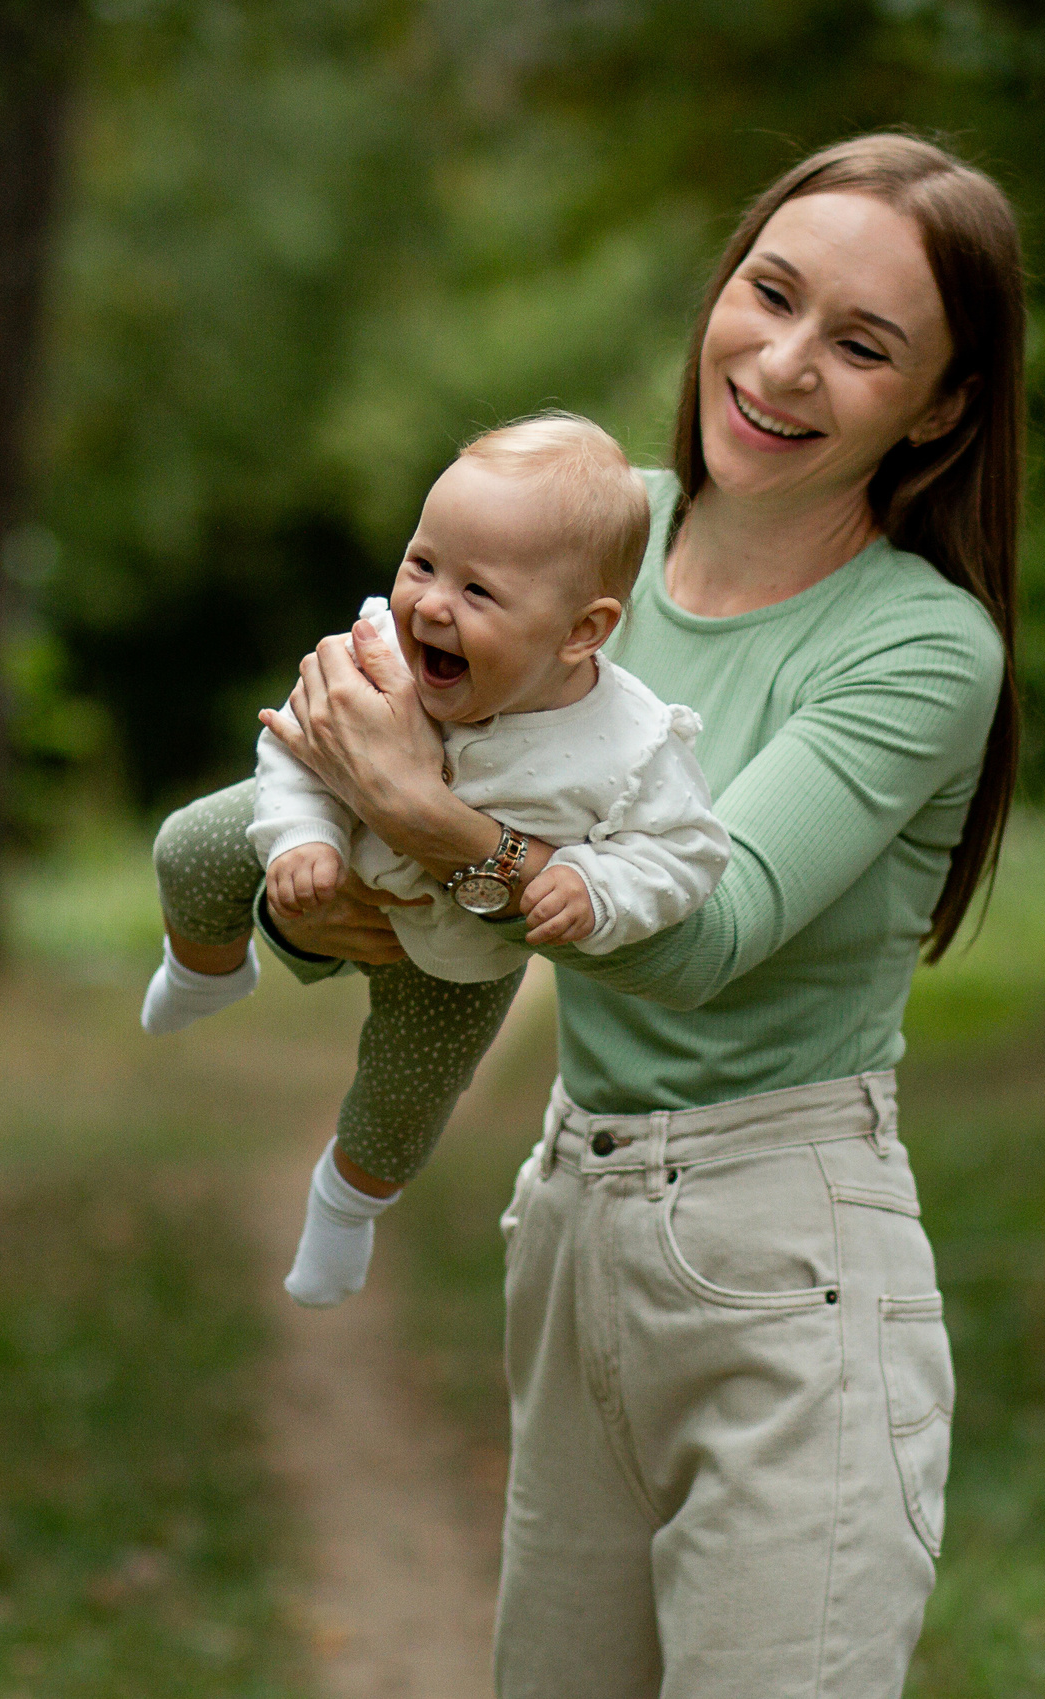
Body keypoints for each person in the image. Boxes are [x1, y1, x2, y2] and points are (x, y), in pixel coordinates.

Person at [193, 129, 1023, 1696]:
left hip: (788, 1258)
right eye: (768, 294)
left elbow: (707, 936)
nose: (781, 364)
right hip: (574, 1220)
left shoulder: (920, 646)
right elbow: (370, 824)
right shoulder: (584, 535)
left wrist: (442, 828)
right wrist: (322, 885)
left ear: (941, 405)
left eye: (863, 345)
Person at [144, 415, 730, 1307]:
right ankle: (206, 968)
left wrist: (592, 885)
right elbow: (298, 743)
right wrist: (304, 838)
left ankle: (342, 1208)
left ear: (583, 631)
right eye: (422, 562)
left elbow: (689, 854)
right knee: (188, 847)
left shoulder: (628, 748)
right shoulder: (382, 652)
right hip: (341, 840)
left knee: (405, 1099)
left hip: (466, 943)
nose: (430, 605)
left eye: (479, 592)